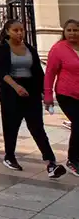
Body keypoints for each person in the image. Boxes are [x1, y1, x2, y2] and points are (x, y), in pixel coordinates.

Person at [0, 19, 66, 178]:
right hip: (11, 91)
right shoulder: (2, 49)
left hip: (30, 91)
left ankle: (51, 163)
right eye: (15, 30)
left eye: (22, 30)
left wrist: (45, 94)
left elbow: (39, 73)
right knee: (11, 126)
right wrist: (16, 87)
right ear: (7, 32)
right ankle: (9, 156)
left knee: (37, 127)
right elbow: (1, 72)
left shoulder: (30, 49)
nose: (20, 33)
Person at [44, 19, 79, 177]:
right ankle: (72, 160)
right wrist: (48, 96)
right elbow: (50, 73)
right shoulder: (58, 49)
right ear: (64, 32)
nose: (72, 33)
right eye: (69, 30)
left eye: (76, 30)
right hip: (67, 94)